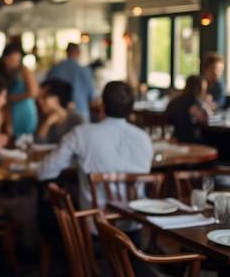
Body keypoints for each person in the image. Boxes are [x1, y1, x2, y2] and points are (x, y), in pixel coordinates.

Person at [32, 81, 153, 234]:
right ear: (131, 110)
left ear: (102, 105)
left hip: (95, 229)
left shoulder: (81, 134)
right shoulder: (144, 139)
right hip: (134, 231)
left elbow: (44, 171)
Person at [0, 41, 39, 139]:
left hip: (24, 110)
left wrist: (11, 98)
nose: (16, 63)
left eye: (18, 60)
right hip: (8, 112)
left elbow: (34, 92)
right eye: (13, 60)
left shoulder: (24, 70)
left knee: (24, 139)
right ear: (5, 59)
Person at [46, 43, 96, 122]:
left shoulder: (54, 69)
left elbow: (46, 91)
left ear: (67, 52)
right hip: (81, 114)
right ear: (79, 52)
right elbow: (92, 96)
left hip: (58, 117)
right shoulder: (85, 71)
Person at [35, 79, 84, 144]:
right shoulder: (42, 118)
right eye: (39, 97)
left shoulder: (78, 120)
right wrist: (47, 124)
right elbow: (37, 144)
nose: (39, 101)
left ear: (57, 98)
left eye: (44, 97)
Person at [165, 75, 212, 143]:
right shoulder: (192, 102)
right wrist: (205, 103)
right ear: (199, 89)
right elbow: (205, 119)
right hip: (188, 140)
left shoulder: (176, 100)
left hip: (174, 138)